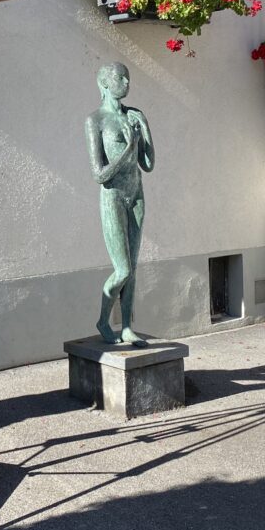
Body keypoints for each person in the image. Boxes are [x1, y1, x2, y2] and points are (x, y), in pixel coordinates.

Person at [84, 62, 155, 348]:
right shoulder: (96, 120)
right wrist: (129, 146)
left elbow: (148, 165)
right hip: (113, 197)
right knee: (122, 269)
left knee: (133, 269)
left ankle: (126, 327)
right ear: (104, 83)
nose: (126, 82)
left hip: (136, 195)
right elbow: (99, 174)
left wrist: (144, 132)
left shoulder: (135, 115)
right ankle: (103, 320)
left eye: (128, 77)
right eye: (120, 77)